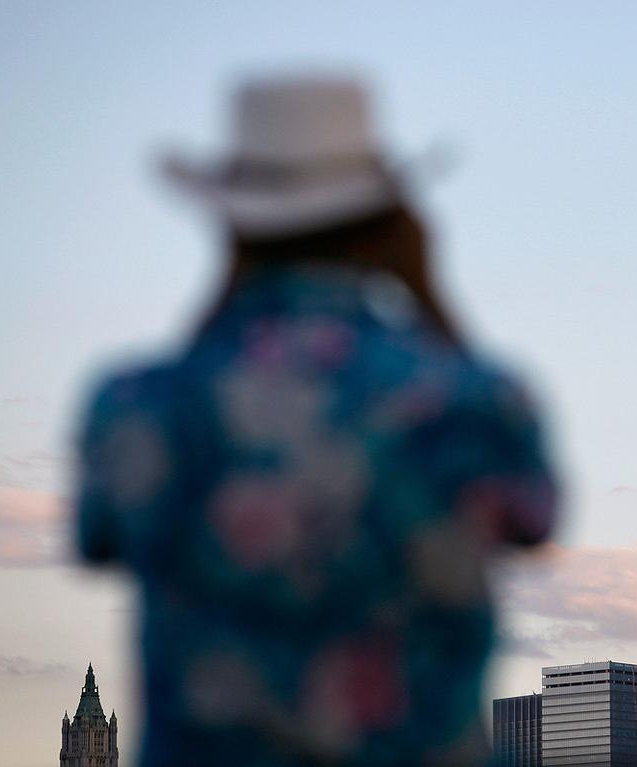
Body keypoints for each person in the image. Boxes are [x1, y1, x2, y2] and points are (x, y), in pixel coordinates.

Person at [74, 75, 557, 767]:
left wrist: (228, 298)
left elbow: (99, 536)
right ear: (388, 229)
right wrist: (428, 295)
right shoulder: (473, 401)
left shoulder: (138, 404)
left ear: (232, 225)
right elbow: (534, 518)